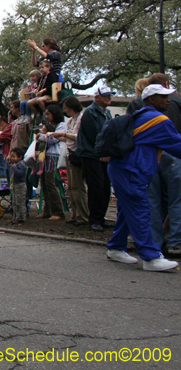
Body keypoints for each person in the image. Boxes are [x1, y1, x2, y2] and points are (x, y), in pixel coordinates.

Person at [105, 84, 181, 271]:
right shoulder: (159, 120)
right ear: (151, 99)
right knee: (140, 210)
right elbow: (177, 146)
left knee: (126, 210)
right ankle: (150, 257)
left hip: (122, 169)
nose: (168, 99)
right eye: (163, 96)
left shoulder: (141, 116)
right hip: (131, 172)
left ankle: (116, 247)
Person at [127, 73, 181, 257]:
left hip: (147, 158)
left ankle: (154, 241)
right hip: (170, 155)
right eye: (164, 97)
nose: (167, 100)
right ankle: (174, 241)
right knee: (175, 200)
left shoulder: (135, 106)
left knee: (152, 201)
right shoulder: (172, 107)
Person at [77, 85, 115, 232]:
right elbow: (95, 136)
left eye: (109, 95)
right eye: (105, 95)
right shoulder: (90, 113)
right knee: (96, 187)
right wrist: (103, 151)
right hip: (92, 155)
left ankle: (101, 217)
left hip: (104, 155)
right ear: (97, 97)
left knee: (105, 187)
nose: (108, 98)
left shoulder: (107, 113)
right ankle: (94, 219)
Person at [52, 96, 88, 226]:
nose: (65, 110)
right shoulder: (69, 121)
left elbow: (79, 137)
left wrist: (63, 135)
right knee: (71, 187)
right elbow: (67, 138)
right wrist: (54, 136)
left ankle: (83, 215)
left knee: (78, 187)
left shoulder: (81, 119)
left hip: (77, 154)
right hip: (69, 154)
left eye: (66, 108)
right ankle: (74, 214)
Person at [36, 104, 66, 221]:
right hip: (44, 155)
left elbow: (53, 139)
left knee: (50, 183)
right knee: (44, 183)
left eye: (48, 114)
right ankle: (47, 210)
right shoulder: (49, 126)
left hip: (53, 155)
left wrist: (41, 136)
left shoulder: (61, 125)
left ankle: (59, 211)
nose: (47, 116)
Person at [9, 148, 28, 224]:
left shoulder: (21, 165)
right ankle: (15, 216)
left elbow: (20, 173)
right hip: (15, 185)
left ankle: (21, 217)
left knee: (20, 202)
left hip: (20, 185)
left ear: (20, 157)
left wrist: (14, 168)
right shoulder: (16, 165)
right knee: (15, 202)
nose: (12, 158)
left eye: (14, 156)